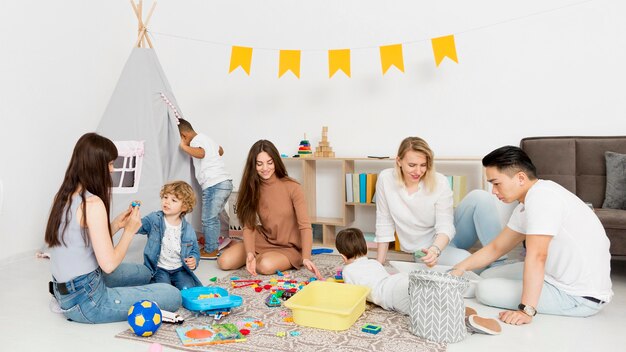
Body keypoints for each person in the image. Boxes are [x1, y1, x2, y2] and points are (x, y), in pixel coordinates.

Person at [450, 146, 613, 325]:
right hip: (553, 276)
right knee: (489, 275)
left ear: (520, 177)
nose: (494, 191)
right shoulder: (527, 203)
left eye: (497, 183)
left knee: (485, 290)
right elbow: (497, 247)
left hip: (579, 297)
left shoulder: (542, 199)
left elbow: (537, 256)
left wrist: (526, 310)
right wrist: (458, 269)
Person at [45, 133, 181, 324]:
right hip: (87, 301)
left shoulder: (62, 197)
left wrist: (117, 224)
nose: (112, 169)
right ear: (96, 167)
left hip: (67, 289)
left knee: (144, 273)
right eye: (110, 164)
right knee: (172, 295)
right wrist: (130, 231)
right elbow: (109, 264)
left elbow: (83, 242)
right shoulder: (92, 203)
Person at [336, 228, 501, 335]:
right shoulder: (374, 262)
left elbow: (353, 295)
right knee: (429, 295)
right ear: (365, 249)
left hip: (390, 295)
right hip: (400, 280)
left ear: (343, 257)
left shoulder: (348, 270)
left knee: (424, 310)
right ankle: (456, 305)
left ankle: (463, 321)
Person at [375, 136, 502, 266]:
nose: (418, 171)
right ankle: (468, 259)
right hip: (424, 250)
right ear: (399, 161)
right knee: (468, 262)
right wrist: (379, 264)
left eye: (423, 165)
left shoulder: (440, 181)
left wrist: (436, 249)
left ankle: (499, 263)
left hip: (445, 239)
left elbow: (446, 225)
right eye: (412, 165)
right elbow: (384, 222)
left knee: (480, 197)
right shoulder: (386, 179)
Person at [217, 140, 322, 279]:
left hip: (289, 247)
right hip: (263, 240)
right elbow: (249, 226)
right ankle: (258, 256)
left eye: (269, 162)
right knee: (224, 262)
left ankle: (264, 258)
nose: (265, 168)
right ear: (253, 165)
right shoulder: (252, 188)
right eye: (259, 164)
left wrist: (306, 257)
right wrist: (249, 253)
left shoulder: (293, 187)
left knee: (264, 266)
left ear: (276, 162)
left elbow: (305, 226)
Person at [178, 118, 233, 260]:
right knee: (217, 215)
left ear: (184, 136)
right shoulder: (207, 139)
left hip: (214, 184)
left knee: (208, 218)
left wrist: (184, 147)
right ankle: (221, 237)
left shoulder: (196, 141)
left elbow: (201, 153)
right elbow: (221, 150)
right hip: (225, 182)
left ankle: (211, 249)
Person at [137, 181, 203, 290]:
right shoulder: (154, 219)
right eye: (165, 197)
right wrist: (132, 217)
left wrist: (194, 259)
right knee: (164, 291)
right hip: (159, 268)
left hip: (179, 268)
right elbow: (138, 226)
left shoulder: (188, 229)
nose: (167, 202)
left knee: (189, 290)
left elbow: (195, 251)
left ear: (184, 207)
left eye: (173, 200)